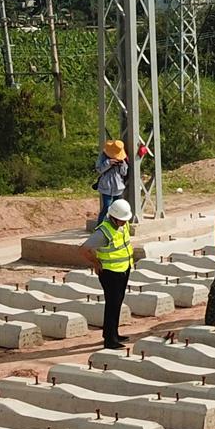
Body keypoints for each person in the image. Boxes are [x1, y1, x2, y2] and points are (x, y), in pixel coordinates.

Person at [81, 198, 134, 349]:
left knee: (117, 302)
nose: (124, 223)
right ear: (113, 217)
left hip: (123, 269)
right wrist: (96, 263)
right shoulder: (103, 231)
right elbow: (84, 249)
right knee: (112, 304)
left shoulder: (122, 225)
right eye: (121, 220)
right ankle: (109, 340)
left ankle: (113, 333)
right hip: (110, 273)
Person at [94, 140, 128, 225]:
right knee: (106, 207)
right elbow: (99, 169)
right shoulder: (103, 157)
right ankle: (100, 225)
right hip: (106, 186)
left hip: (118, 187)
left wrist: (122, 164)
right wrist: (108, 163)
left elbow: (124, 173)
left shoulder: (122, 159)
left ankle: (114, 225)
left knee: (118, 208)